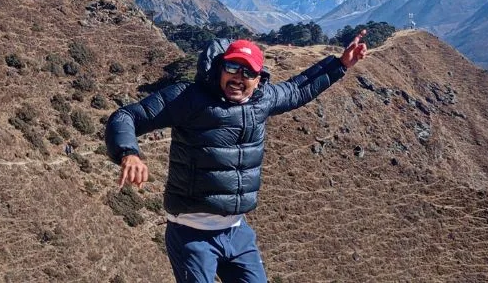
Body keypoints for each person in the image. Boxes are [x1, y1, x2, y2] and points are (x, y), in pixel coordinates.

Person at [105, 31, 368, 283]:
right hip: (191, 234)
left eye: (248, 72)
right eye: (231, 67)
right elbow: (126, 116)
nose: (237, 77)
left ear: (259, 79)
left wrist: (341, 64)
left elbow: (299, 88)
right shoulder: (188, 98)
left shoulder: (262, 100)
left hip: (236, 230)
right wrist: (129, 153)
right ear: (220, 68)